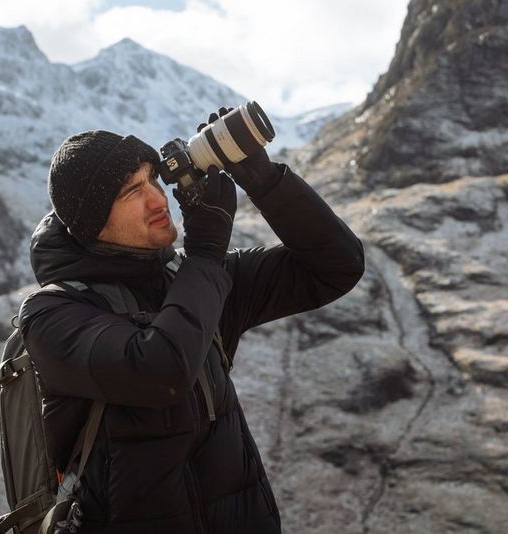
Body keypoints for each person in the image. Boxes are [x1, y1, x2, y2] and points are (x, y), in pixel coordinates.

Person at [20, 108, 365, 533]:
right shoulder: (51, 314)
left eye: (151, 178)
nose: (156, 199)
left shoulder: (192, 280)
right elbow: (160, 372)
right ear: (92, 224)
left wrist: (265, 180)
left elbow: (337, 266)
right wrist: (205, 252)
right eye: (131, 191)